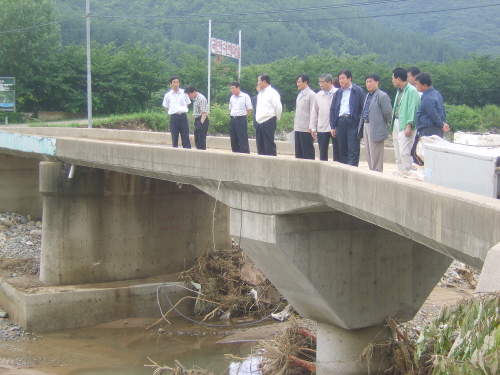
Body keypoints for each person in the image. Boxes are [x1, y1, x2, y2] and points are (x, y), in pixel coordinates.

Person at [329, 69, 365, 166]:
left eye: (343, 78)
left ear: (350, 78)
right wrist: (332, 126)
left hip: (353, 123)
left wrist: (359, 123)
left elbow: (363, 109)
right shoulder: (338, 93)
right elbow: (332, 110)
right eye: (340, 79)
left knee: (353, 149)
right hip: (340, 123)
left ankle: (352, 172)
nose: (341, 81)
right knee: (342, 149)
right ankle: (345, 171)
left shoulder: (358, 91)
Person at [412, 72, 450, 164]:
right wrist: (443, 123)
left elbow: (433, 114)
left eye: (417, 84)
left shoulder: (428, 98)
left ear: (425, 85)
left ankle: (426, 172)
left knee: (423, 153)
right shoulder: (436, 93)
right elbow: (442, 110)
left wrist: (441, 124)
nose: (416, 86)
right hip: (434, 127)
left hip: (429, 128)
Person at [358, 73, 392, 172]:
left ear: (377, 82)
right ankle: (371, 170)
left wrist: (385, 122)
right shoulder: (368, 95)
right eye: (367, 82)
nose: (368, 84)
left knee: (376, 152)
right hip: (366, 124)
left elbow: (387, 112)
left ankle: (377, 172)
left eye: (371, 81)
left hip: (376, 126)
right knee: (368, 151)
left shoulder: (382, 95)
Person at [391, 67, 420, 172]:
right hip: (397, 122)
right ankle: (402, 173)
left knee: (404, 152)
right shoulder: (399, 91)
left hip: (406, 124)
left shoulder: (411, 90)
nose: (392, 80)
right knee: (398, 154)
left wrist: (409, 125)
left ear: (398, 78)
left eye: (393, 78)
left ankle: (410, 173)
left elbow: (413, 109)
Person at [310, 74, 339, 161]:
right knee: (322, 152)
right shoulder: (318, 95)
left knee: (337, 151)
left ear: (329, 82)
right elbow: (314, 112)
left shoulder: (338, 93)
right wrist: (313, 127)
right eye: (320, 82)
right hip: (322, 127)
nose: (321, 85)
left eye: (323, 82)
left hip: (335, 127)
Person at [255, 74, 282, 156]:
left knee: (269, 146)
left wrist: (275, 118)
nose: (258, 83)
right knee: (260, 146)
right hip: (259, 122)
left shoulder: (272, 93)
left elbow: (278, 107)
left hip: (268, 121)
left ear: (264, 81)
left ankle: (272, 166)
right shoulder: (260, 94)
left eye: (259, 81)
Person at [162, 76, 191, 148]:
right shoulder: (168, 95)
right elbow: (166, 106)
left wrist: (182, 109)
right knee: (174, 135)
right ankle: (175, 150)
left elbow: (187, 103)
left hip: (183, 116)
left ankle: (187, 151)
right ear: (170, 84)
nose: (176, 84)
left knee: (185, 135)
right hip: (174, 117)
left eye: (177, 82)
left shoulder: (184, 93)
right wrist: (174, 110)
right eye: (174, 82)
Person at [293, 74, 315, 160]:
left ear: (305, 82)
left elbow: (313, 112)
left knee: (307, 151)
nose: (297, 84)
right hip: (298, 128)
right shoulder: (299, 95)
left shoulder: (311, 95)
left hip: (306, 129)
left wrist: (312, 127)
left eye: (299, 82)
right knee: (298, 152)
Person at [228, 81, 253, 154]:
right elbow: (231, 108)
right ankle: (235, 153)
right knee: (233, 138)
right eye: (231, 89)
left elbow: (249, 109)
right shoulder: (232, 97)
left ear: (238, 88)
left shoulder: (245, 96)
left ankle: (245, 154)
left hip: (241, 119)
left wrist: (243, 116)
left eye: (233, 88)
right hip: (233, 119)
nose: (231, 90)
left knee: (242, 138)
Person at [184, 85, 209, 150]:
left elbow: (204, 113)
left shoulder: (201, 98)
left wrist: (201, 124)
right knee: (197, 139)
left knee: (201, 140)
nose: (189, 96)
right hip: (197, 120)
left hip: (202, 119)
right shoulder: (195, 99)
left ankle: (202, 154)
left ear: (194, 92)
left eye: (189, 94)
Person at [251, 84, 261, 154]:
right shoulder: (254, 98)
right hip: (256, 120)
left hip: (266, 121)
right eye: (257, 86)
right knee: (258, 140)